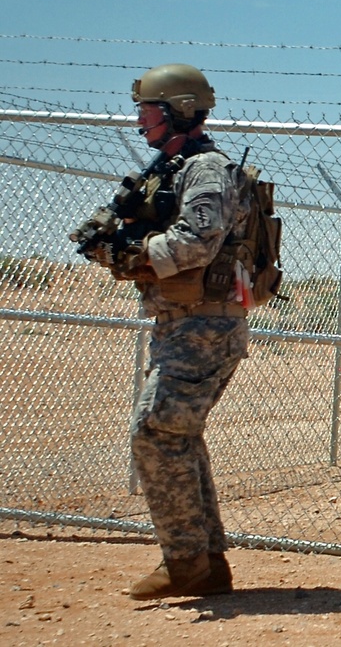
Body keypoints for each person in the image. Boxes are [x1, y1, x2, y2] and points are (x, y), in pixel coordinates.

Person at [91, 64, 249, 599]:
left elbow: (198, 241)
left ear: (178, 108)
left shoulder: (206, 169)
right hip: (183, 323)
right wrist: (112, 241)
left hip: (205, 324)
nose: (139, 120)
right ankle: (205, 563)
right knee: (175, 434)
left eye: (147, 110)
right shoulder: (169, 168)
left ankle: (186, 563)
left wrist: (134, 257)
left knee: (155, 431)